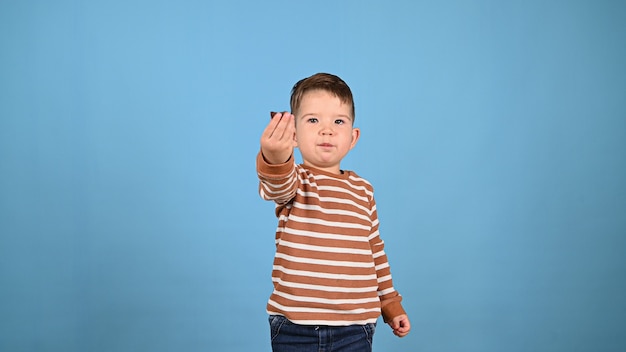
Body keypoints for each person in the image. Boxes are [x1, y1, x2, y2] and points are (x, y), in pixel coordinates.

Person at [257, 73, 410, 351]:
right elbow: (276, 185)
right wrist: (275, 156)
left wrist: (389, 303)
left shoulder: (363, 190)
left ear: (353, 137)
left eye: (338, 121)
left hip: (355, 327)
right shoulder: (296, 180)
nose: (326, 130)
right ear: (293, 134)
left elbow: (375, 250)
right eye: (313, 120)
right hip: (295, 326)